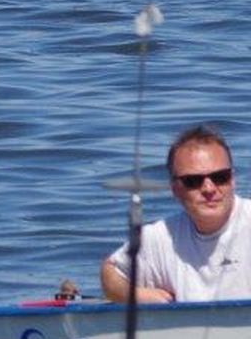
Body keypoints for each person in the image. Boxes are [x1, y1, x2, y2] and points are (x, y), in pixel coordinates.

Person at [101, 124, 251, 302]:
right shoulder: (159, 237)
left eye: (220, 177)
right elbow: (111, 272)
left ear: (232, 180)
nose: (209, 188)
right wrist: (138, 295)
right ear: (175, 189)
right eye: (193, 181)